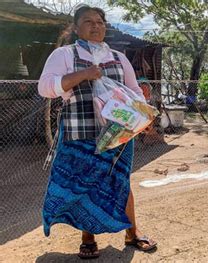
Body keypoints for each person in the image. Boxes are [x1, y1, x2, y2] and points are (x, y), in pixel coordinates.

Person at [38, 5, 157, 259]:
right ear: (76, 27)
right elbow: (45, 87)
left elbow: (134, 92)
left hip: (118, 134)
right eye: (88, 21)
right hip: (80, 133)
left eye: (100, 21)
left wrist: (143, 115)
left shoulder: (118, 57)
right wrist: (84, 74)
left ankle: (132, 234)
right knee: (83, 185)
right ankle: (87, 238)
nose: (95, 26)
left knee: (120, 181)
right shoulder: (64, 55)